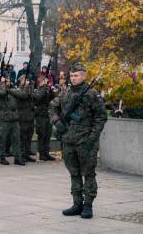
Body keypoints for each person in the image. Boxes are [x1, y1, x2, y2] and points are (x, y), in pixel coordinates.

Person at [50, 63, 107, 219]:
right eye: (72, 76)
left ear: (84, 76)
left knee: (88, 173)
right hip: (68, 140)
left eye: (76, 76)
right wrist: (56, 121)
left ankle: (88, 205)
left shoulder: (92, 94)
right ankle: (77, 204)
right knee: (74, 173)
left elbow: (101, 117)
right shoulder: (65, 93)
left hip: (85, 141)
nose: (73, 78)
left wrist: (92, 138)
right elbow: (52, 107)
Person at [0, 75, 26, 166]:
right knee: (2, 139)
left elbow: (22, 95)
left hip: (14, 118)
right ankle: (2, 157)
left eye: (9, 81)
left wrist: (10, 89)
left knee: (16, 139)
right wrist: (2, 83)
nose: (8, 82)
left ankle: (17, 158)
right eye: (6, 81)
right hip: (4, 119)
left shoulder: (13, 91)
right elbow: (2, 93)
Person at [33, 76, 56, 161]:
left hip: (47, 115)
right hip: (40, 116)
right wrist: (43, 87)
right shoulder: (37, 90)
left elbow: (53, 97)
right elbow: (39, 98)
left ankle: (46, 153)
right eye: (45, 81)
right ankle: (42, 154)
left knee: (48, 135)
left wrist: (49, 89)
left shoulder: (46, 89)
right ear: (41, 82)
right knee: (42, 135)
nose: (47, 82)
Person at [16, 75, 36, 162]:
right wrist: (27, 87)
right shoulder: (19, 90)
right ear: (20, 81)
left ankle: (27, 154)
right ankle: (21, 155)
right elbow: (23, 96)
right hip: (23, 117)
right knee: (22, 137)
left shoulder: (29, 90)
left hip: (30, 117)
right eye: (24, 80)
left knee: (29, 137)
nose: (27, 82)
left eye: (27, 80)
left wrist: (30, 86)